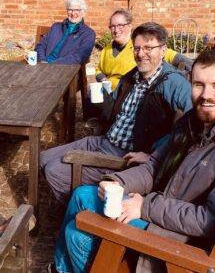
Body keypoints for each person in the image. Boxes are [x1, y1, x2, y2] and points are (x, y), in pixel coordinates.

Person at [47, 49, 215, 273]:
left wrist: (145, 207)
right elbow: (155, 166)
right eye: (198, 84)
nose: (205, 94)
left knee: (77, 237)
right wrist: (118, 181)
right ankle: (59, 269)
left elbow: (210, 221)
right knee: (81, 195)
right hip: (167, 217)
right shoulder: (192, 122)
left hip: (182, 243)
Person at [41, 22, 192, 205]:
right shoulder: (132, 76)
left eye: (148, 48)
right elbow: (113, 113)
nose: (141, 54)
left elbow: (193, 121)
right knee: (43, 159)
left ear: (162, 50)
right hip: (103, 140)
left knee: (54, 171)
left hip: (122, 156)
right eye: (136, 48)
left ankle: (80, 211)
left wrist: (155, 155)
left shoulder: (172, 82)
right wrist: (101, 100)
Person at [96, 9, 193, 90]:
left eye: (120, 26)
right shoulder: (106, 50)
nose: (116, 30)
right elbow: (99, 70)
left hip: (130, 92)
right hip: (110, 93)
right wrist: (103, 80)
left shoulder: (141, 45)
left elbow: (171, 55)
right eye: (112, 26)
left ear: (130, 26)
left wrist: (197, 69)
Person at [35, 0, 96, 65]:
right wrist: (42, 60)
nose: (73, 13)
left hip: (64, 68)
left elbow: (80, 56)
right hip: (43, 64)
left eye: (77, 10)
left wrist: (52, 65)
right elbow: (41, 46)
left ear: (83, 12)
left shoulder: (88, 34)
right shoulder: (56, 27)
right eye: (70, 9)